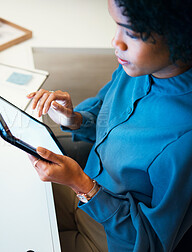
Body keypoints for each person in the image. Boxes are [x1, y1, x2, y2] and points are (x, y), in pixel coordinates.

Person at [27, 0, 192, 251]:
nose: (116, 42)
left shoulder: (184, 140)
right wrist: (75, 119)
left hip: (110, 238)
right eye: (116, 26)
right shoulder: (135, 68)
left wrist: (81, 184)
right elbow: (108, 120)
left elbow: (153, 243)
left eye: (132, 33)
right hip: (83, 191)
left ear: (181, 34)